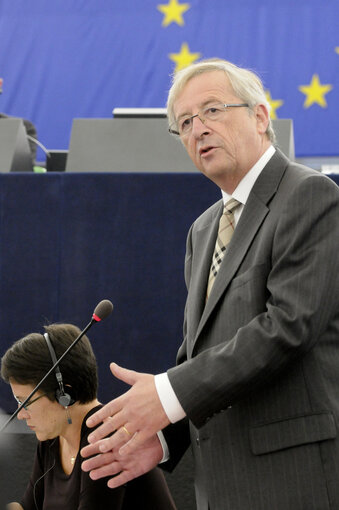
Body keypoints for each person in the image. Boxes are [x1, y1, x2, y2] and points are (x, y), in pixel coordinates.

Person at [81, 58, 339, 510]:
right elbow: (199, 354)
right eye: (184, 122)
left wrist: (168, 393)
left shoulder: (311, 195)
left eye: (213, 111)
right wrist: (162, 439)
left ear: (260, 117)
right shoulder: (203, 230)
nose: (197, 128)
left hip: (295, 480)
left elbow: (288, 327)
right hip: (222, 484)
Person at [0, 323, 176, 510]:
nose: (20, 414)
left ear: (64, 396)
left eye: (25, 402)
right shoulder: (52, 439)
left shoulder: (105, 440)